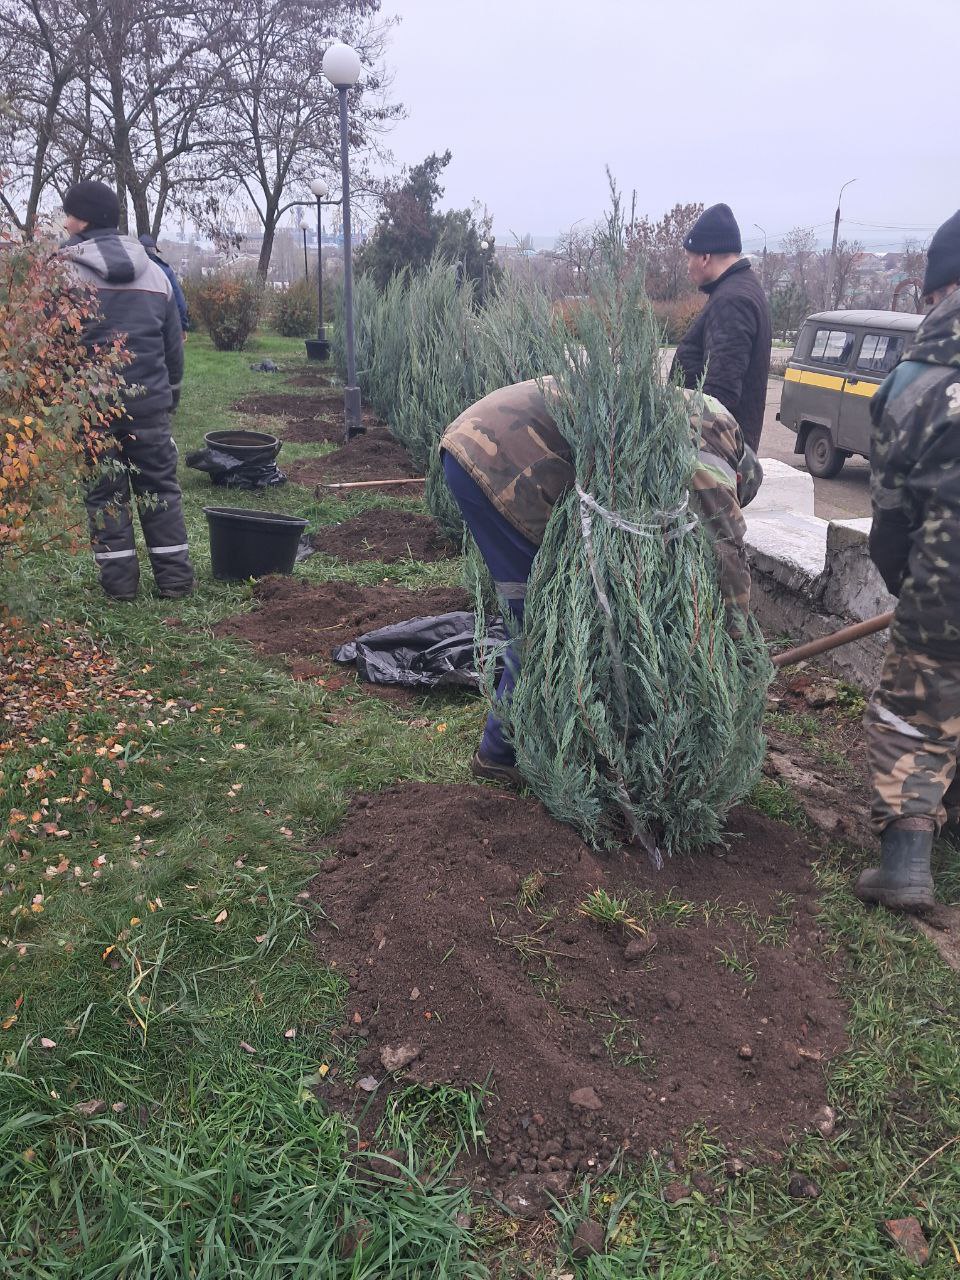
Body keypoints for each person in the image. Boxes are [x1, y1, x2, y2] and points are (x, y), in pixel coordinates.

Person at [441, 380, 761, 786]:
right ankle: (499, 755)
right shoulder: (710, 442)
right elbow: (723, 545)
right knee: (544, 621)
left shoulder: (694, 412)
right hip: (500, 459)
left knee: (551, 611)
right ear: (739, 474)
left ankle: (552, 732)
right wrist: (741, 644)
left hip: (478, 444)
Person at [855, 209, 960, 913]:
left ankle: (905, 866)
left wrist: (916, 598)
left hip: (947, 586)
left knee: (913, 714)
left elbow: (891, 523)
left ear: (937, 290)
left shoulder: (914, 384)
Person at [58, 180, 194, 601]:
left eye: (69, 213)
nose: (64, 222)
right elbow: (173, 346)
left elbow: (54, 346)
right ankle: (176, 584)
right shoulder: (156, 273)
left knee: (105, 493)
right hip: (149, 404)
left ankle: (120, 590)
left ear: (83, 219)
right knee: (160, 489)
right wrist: (169, 393)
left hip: (93, 408)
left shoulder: (62, 273)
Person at [670, 203, 772, 453]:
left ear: (705, 257)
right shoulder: (742, 288)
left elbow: (717, 397)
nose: (687, 266)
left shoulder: (732, 301)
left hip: (714, 462)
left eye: (689, 258)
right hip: (722, 456)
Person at [139, 233, 191, 336]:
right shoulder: (165, 271)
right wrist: (182, 326)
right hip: (161, 328)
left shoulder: (129, 270)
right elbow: (179, 303)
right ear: (154, 250)